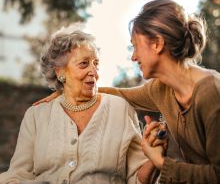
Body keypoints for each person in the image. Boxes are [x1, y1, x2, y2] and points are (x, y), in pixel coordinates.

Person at [34, 0, 220, 183]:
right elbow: (120, 94)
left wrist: (160, 161)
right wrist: (69, 89)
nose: (133, 56)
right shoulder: (161, 89)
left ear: (157, 44)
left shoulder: (211, 92)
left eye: (135, 46)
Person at [0, 24, 166, 184]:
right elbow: (18, 175)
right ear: (60, 72)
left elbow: (137, 179)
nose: (93, 72)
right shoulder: (36, 115)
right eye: (84, 64)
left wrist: (154, 159)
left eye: (96, 64)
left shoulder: (120, 109)